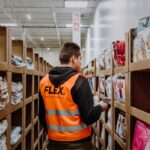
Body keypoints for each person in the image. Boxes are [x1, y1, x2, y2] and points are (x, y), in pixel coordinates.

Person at [39, 42, 108, 150]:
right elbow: (88, 117)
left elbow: (41, 115)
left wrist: (56, 134)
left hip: (54, 144)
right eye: (80, 58)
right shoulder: (79, 80)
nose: (81, 62)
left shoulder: (44, 82)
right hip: (78, 144)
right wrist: (100, 107)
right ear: (73, 59)